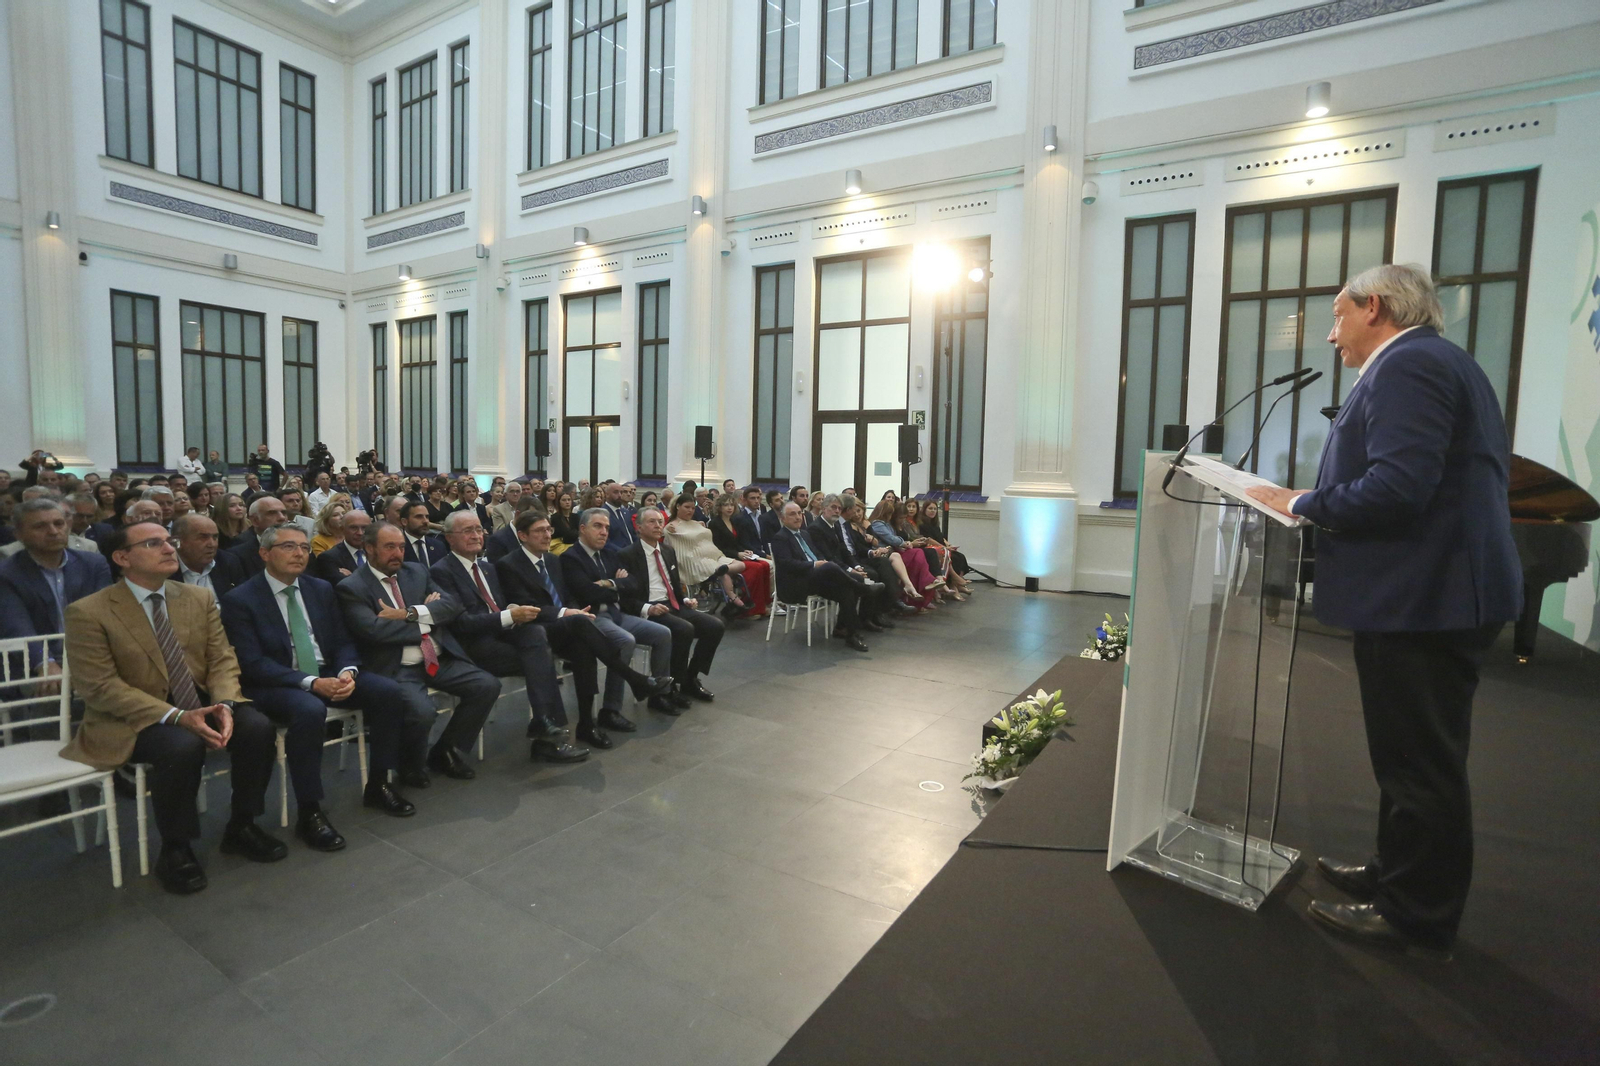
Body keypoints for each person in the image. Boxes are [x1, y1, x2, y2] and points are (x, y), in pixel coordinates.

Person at [1245, 264, 1523, 958]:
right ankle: (1397, 872)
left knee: (1420, 762)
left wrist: (1303, 503)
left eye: (1338, 315)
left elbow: (1399, 487)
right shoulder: (1435, 362)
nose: (1332, 333)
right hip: (1423, 594)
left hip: (1424, 598)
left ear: (1375, 307)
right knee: (1406, 756)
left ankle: (1417, 917)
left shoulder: (1411, 366)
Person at [63, 522, 285, 894]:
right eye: (154, 543)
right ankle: (176, 847)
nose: (169, 548)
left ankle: (242, 824)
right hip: (134, 714)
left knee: (256, 726)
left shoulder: (195, 598)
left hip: (199, 698)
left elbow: (222, 658)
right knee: (181, 745)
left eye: (170, 541)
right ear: (122, 558)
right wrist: (177, 716)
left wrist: (225, 702)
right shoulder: (89, 612)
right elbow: (99, 687)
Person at [222, 524, 416, 851]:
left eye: (303, 547)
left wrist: (347, 671)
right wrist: (311, 682)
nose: (299, 553)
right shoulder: (240, 599)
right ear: (264, 554)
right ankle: (310, 811)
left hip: (327, 671)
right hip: (276, 682)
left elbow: (342, 640)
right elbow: (252, 663)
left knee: (386, 691)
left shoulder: (320, 589)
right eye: (288, 547)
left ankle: (380, 782)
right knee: (310, 709)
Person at [337, 521, 501, 785]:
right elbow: (374, 630)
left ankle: (445, 750)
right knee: (423, 711)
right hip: (397, 666)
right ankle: (410, 766)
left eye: (401, 547)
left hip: (437, 657)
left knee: (487, 685)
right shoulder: (353, 586)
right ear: (369, 548)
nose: (398, 554)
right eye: (389, 547)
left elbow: (451, 606)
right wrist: (427, 620)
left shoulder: (416, 571)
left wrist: (409, 614)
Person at [496, 512, 672, 750]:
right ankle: (635, 679)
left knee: (584, 648)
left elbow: (571, 594)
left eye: (549, 529)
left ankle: (587, 724)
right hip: (534, 629)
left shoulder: (552, 560)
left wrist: (577, 607)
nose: (547, 535)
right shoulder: (509, 564)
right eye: (540, 531)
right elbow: (526, 605)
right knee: (582, 624)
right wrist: (567, 613)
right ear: (522, 535)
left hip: (566, 625)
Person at [429, 511, 588, 763]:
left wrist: (513, 609)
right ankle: (546, 734)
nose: (476, 536)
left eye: (479, 529)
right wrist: (510, 616)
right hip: (473, 645)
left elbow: (499, 605)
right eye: (467, 531)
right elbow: (461, 624)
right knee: (540, 657)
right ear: (449, 538)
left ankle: (544, 726)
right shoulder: (442, 571)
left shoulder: (487, 568)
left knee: (536, 635)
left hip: (501, 636)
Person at [561, 508, 680, 718]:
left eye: (607, 527)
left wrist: (608, 584)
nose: (604, 532)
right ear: (582, 529)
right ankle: (611, 709)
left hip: (618, 614)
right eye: (597, 526)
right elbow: (587, 593)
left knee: (662, 634)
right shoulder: (570, 557)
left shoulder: (610, 552)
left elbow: (633, 583)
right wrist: (617, 587)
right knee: (626, 641)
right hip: (592, 617)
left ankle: (659, 694)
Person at [618, 507, 725, 702]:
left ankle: (690, 678)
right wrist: (647, 608)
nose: (658, 525)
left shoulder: (668, 550)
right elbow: (624, 598)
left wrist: (684, 599)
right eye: (652, 522)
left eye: (660, 521)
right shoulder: (627, 555)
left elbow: (672, 585)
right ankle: (671, 684)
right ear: (639, 527)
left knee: (714, 626)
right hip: (649, 607)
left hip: (672, 604)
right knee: (684, 629)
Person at [0, 500, 113, 682]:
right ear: (19, 534)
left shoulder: (93, 564)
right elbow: (17, 626)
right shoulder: (6, 574)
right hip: (34, 662)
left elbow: (105, 616)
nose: (53, 532)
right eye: (40, 526)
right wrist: (44, 663)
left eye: (59, 524)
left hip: (92, 656)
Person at [769, 502, 869, 652]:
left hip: (816, 579)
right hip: (796, 583)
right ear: (783, 518)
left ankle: (848, 633)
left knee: (848, 589)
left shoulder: (805, 534)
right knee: (831, 568)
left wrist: (821, 563)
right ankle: (862, 588)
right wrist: (815, 565)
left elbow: (818, 554)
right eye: (792, 514)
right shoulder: (780, 538)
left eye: (799, 513)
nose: (797, 517)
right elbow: (787, 565)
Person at [811, 494, 898, 629]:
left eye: (839, 508)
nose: (837, 511)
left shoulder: (836, 525)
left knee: (879, 566)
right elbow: (828, 557)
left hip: (844, 563)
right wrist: (851, 569)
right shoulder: (816, 528)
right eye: (833, 507)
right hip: (827, 569)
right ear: (823, 508)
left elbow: (845, 550)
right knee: (865, 577)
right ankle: (852, 624)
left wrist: (856, 566)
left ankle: (874, 612)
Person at [663, 496, 751, 613]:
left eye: (693, 508)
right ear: (678, 506)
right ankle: (732, 596)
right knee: (724, 572)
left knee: (741, 565)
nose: (690, 510)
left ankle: (722, 572)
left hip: (713, 556)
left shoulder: (695, 523)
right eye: (687, 507)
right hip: (693, 559)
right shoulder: (671, 526)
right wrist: (667, 528)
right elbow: (669, 540)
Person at [708, 493, 772, 616]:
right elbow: (719, 547)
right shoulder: (715, 524)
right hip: (725, 556)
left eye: (732, 505)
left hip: (736, 554)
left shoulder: (734, 521)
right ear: (719, 507)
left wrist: (745, 550)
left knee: (765, 565)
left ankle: (762, 605)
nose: (729, 508)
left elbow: (737, 542)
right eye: (726, 505)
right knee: (757, 567)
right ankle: (751, 609)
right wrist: (738, 554)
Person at [173, 512, 245, 600]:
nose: (212, 544)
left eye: (215, 537)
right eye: (203, 537)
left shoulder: (228, 562)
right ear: (178, 541)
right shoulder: (166, 569)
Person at [230, 495, 289, 576]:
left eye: (284, 513)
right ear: (255, 520)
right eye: (272, 513)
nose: (282, 518)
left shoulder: (301, 548)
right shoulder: (236, 556)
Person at [312, 508, 371, 584]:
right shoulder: (329, 558)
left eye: (364, 528)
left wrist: (352, 577)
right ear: (342, 529)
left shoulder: (378, 553)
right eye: (353, 528)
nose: (360, 533)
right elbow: (344, 589)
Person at [400, 501, 447, 568]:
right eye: (419, 517)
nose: (425, 521)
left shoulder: (438, 546)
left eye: (427, 517)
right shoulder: (398, 547)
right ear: (404, 522)